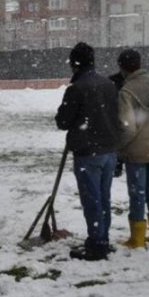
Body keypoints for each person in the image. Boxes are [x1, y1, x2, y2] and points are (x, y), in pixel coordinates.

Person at [55, 42, 120, 261]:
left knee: (92, 200)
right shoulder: (109, 85)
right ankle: (103, 238)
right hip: (109, 150)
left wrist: (69, 115)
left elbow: (63, 121)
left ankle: (97, 244)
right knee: (103, 197)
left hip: (88, 152)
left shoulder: (77, 88)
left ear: (75, 64)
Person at [115, 49, 149, 249]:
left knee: (137, 193)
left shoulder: (126, 92)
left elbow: (127, 127)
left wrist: (119, 148)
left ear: (122, 67)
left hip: (137, 151)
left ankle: (136, 238)